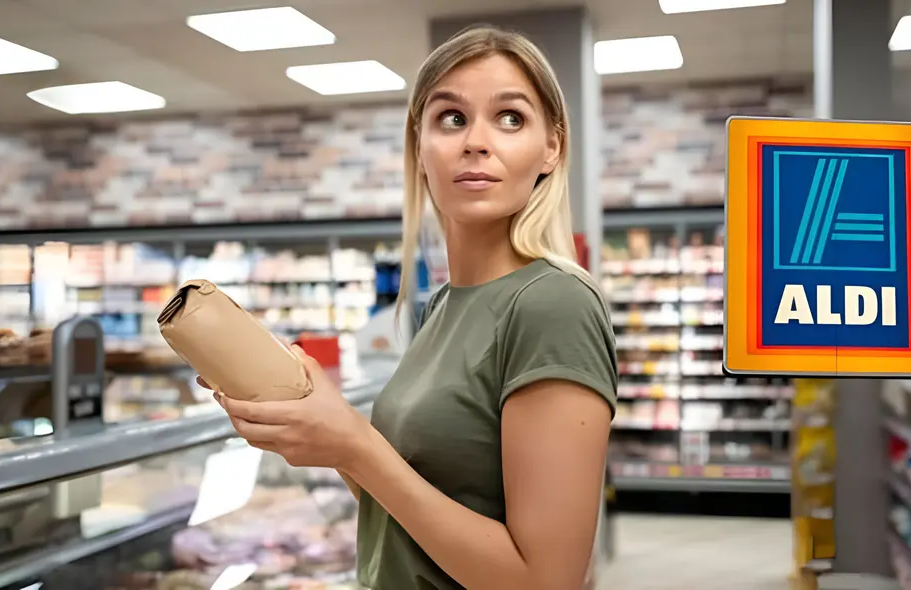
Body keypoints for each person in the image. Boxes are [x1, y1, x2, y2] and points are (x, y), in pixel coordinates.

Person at [208, 25, 618, 590]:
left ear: (552, 148)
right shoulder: (444, 305)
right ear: (419, 147)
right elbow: (408, 511)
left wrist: (356, 444)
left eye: (510, 118)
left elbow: (546, 581)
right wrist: (327, 433)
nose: (476, 141)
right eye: (451, 118)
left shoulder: (554, 303)